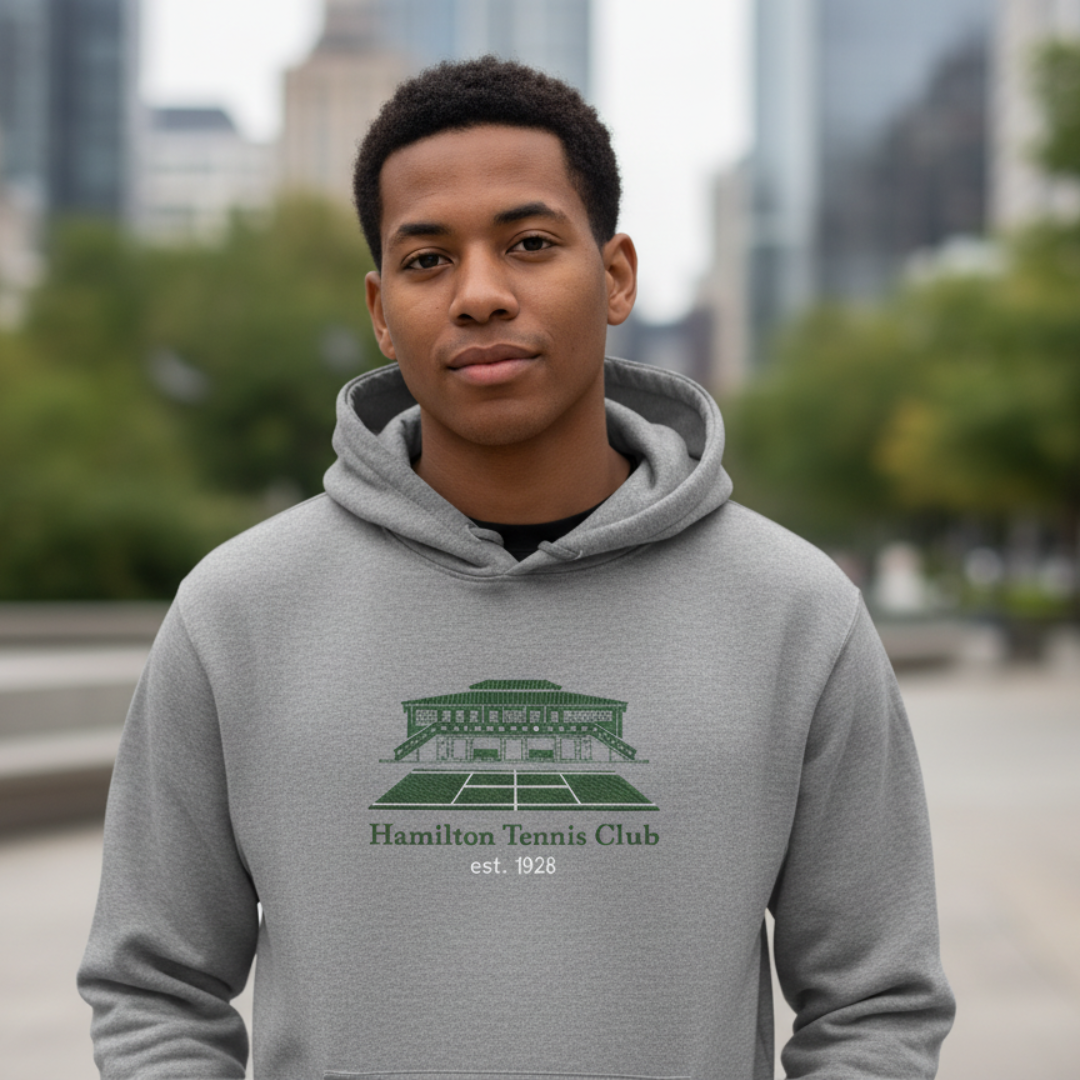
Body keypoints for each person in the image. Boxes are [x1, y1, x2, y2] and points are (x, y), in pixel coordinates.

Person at [79, 57, 954, 1079]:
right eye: (427, 260)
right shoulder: (236, 613)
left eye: (530, 244)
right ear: (379, 307)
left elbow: (877, 1004)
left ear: (617, 273)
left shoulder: (797, 614)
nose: (480, 295)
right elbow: (153, 991)